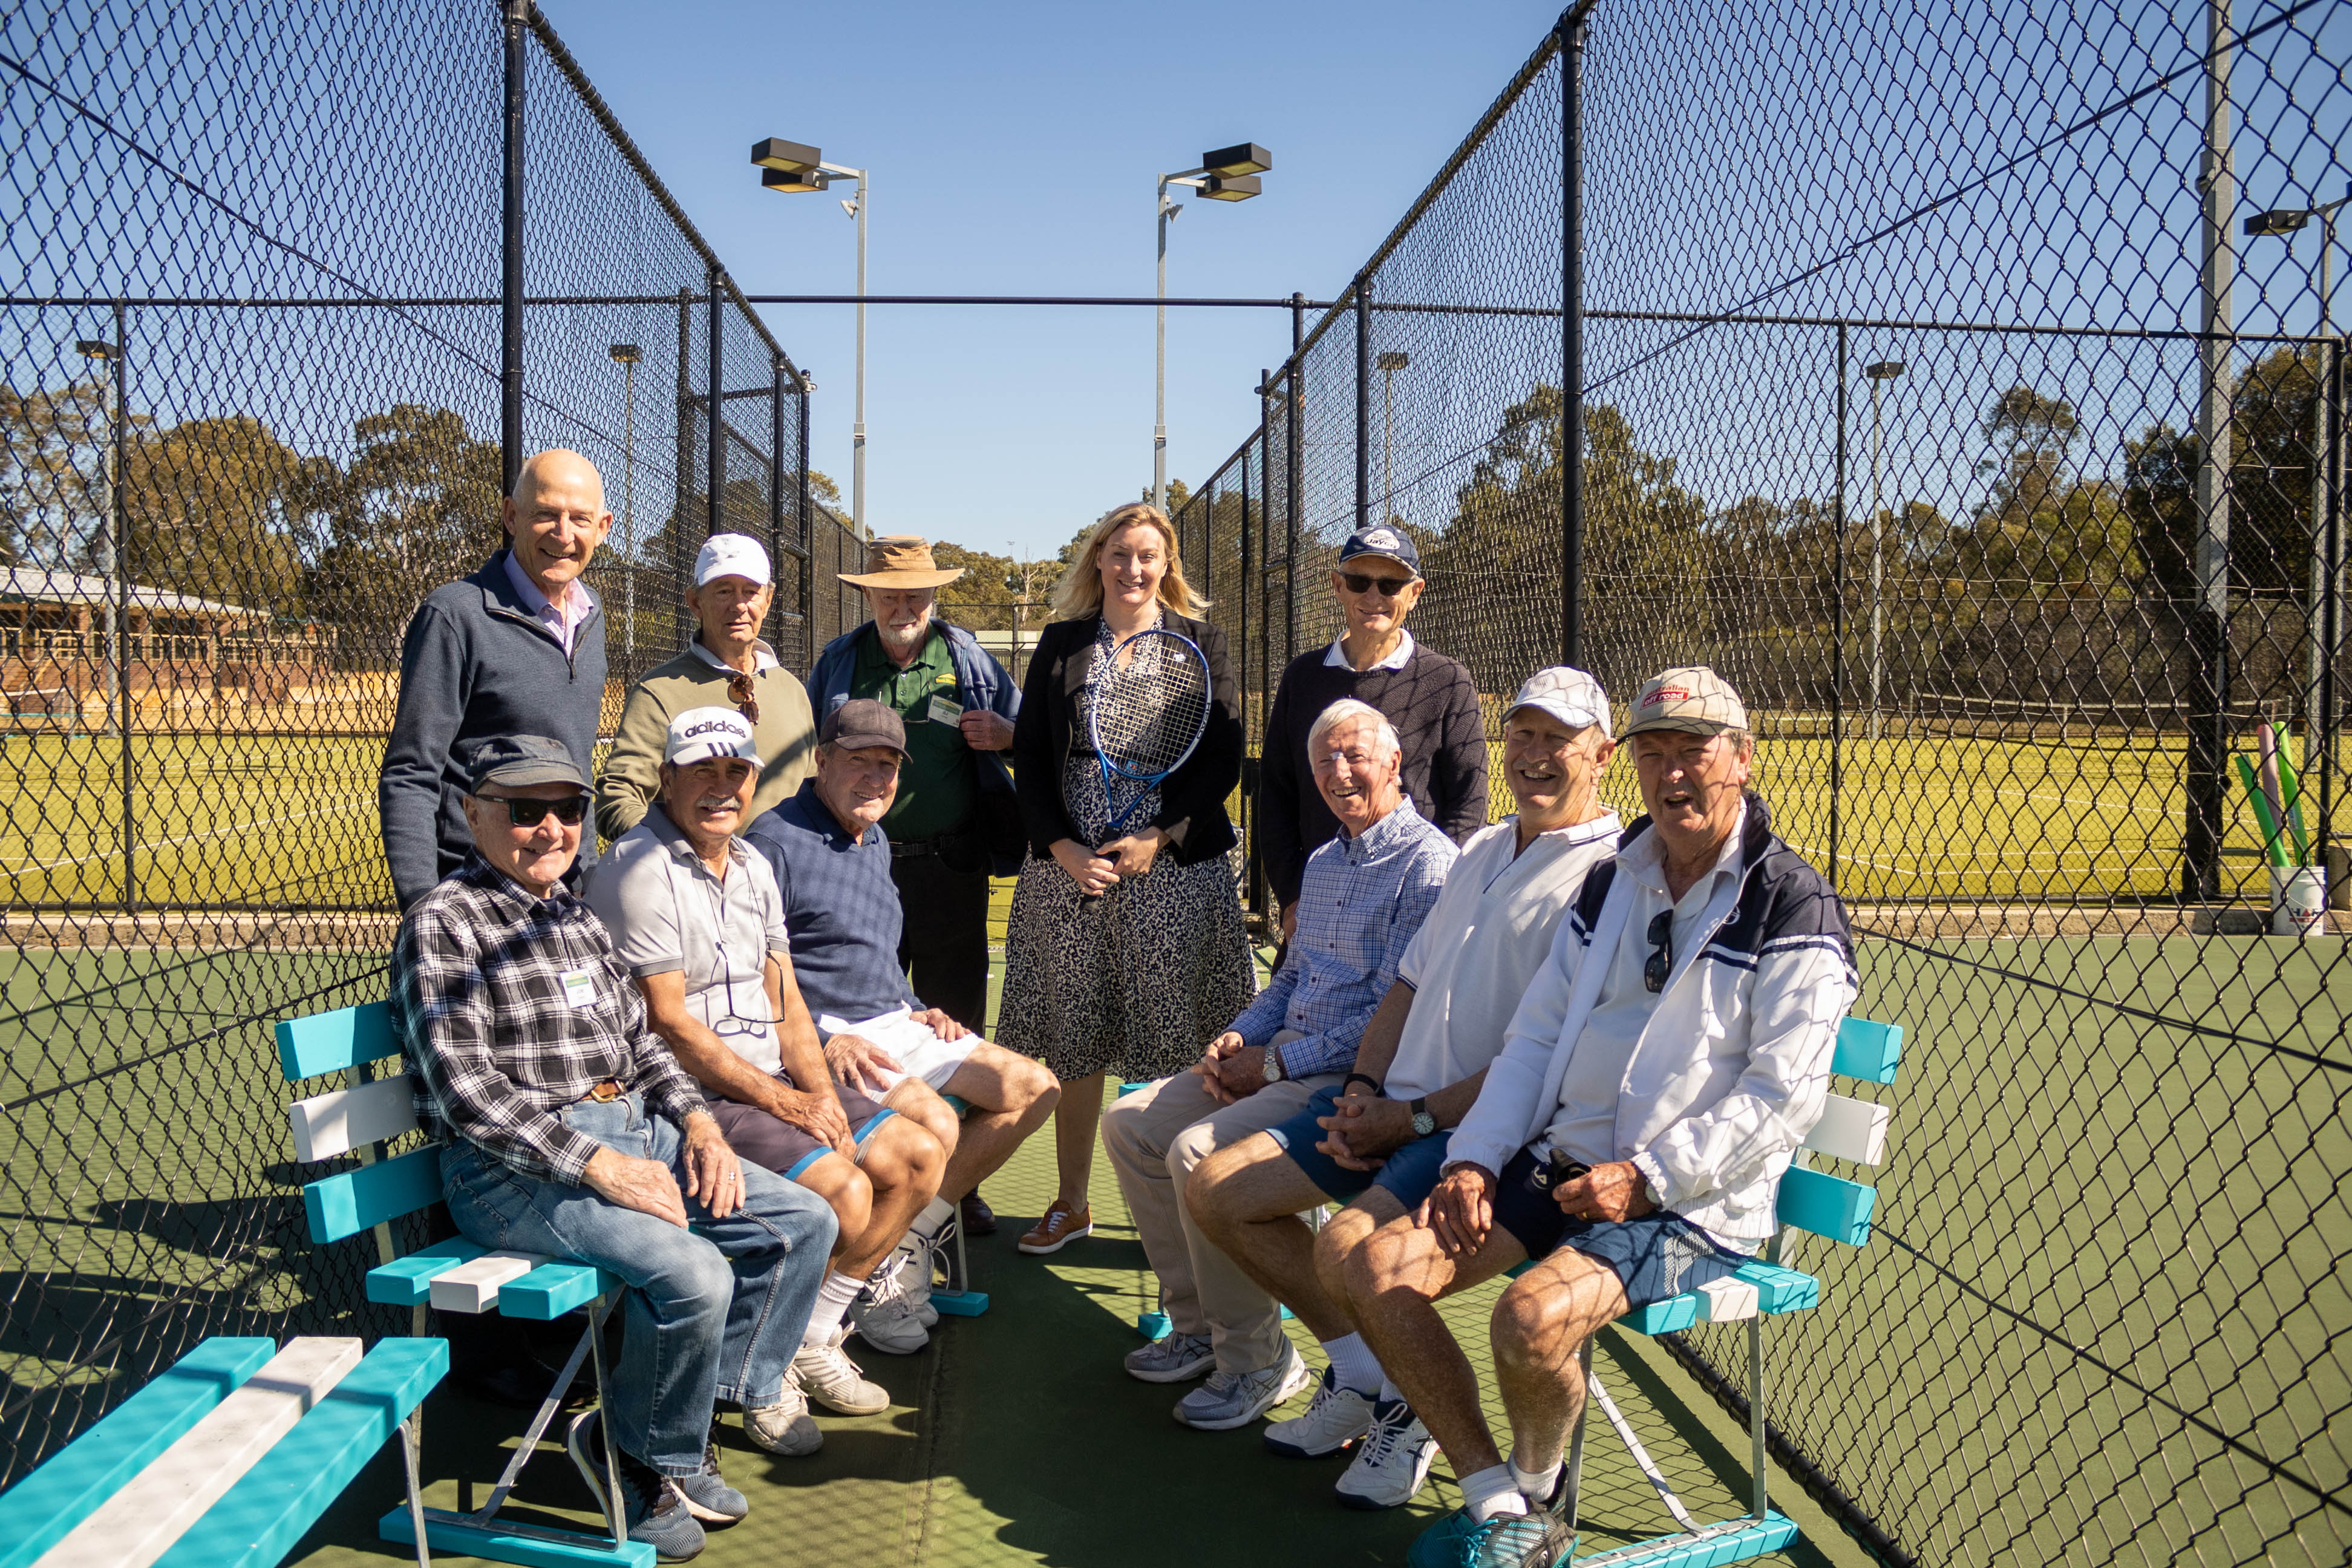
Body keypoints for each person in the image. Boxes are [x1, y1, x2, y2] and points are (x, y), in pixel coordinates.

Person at [1342, 667, 1858, 1568]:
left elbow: (1783, 1097)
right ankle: (1496, 1498)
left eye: (1693, 752)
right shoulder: (1618, 877)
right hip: (1564, 1165)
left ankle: (1539, 1496)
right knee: (1379, 1268)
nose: (1674, 775)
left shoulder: (1791, 901)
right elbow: (1537, 1038)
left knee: (1530, 1321)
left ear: (1741, 759)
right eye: (1655, 753)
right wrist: (1472, 1159)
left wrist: (1651, 1176)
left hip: (1690, 1204)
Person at [391, 733, 837, 1561]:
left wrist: (698, 1124)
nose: (552, 829)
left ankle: (682, 1422)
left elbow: (644, 1045)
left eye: (568, 810)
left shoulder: (572, 911)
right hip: (511, 1170)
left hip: (636, 1126)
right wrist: (600, 1164)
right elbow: (466, 1091)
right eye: (527, 812)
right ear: (473, 814)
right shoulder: (445, 921)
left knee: (802, 1224)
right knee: (695, 1270)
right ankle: (635, 1454)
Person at [1185, 668, 1621, 1508]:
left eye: (1557, 741)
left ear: (1601, 755)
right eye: (1523, 735)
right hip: (1392, 1109)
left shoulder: (1605, 879)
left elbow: (1540, 1059)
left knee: (1349, 1251)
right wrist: (1360, 1091)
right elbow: (1408, 987)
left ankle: (1422, 1426)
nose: (1534, 757)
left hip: (1471, 1132)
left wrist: (1407, 1117)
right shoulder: (1487, 847)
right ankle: (1365, 1383)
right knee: (1216, 1191)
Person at [1102, 698, 1456, 1431]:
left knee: (1198, 1152)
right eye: (1324, 759)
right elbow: (1293, 981)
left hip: (1354, 1078)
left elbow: (1394, 1011)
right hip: (1282, 1060)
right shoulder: (1326, 861)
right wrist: (1236, 1038)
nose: (1338, 771)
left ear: (1395, 763)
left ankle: (1256, 1361)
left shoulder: (1430, 866)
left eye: (1356, 754)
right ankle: (1198, 1327)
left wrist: (1274, 1065)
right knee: (1130, 1123)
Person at [587, 705, 949, 1405]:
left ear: (754, 780)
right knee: (843, 1190)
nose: (721, 788)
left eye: (736, 772)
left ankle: (810, 1337)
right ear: (666, 780)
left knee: (915, 1156)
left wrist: (817, 1097)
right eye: (702, 773)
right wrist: (789, 1103)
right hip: (692, 1096)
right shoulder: (639, 867)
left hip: (769, 1078)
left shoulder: (751, 863)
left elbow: (783, 997)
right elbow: (668, 1024)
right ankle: (765, 1365)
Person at [994, 502, 1256, 1258]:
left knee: (1180, 1046)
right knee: (1075, 1043)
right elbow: (1034, 758)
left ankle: (1177, 1215)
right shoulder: (1063, 643)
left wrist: (1159, 835)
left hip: (1172, 871)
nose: (1133, 569)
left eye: (1148, 556)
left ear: (1166, 563)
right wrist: (1062, 847)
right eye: (1119, 554)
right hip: (1070, 874)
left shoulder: (1204, 643)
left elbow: (1220, 762)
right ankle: (1071, 1204)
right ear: (1097, 562)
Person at [741, 699, 1062, 1301]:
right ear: (821, 761)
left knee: (1036, 1086)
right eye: (858, 761)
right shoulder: (772, 842)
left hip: (896, 1020)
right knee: (938, 1121)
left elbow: (871, 948)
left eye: (887, 765)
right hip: (830, 1041)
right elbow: (751, 972)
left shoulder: (875, 836)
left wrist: (912, 1002)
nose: (875, 778)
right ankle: (871, 1273)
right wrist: (825, 1040)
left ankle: (901, 1242)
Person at [806, 537, 1021, 1054]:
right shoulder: (839, 662)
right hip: (858, 865)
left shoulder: (969, 659)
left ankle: (964, 1129)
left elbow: (1033, 736)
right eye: (888, 597)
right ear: (869, 598)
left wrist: (1006, 734)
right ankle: (882, 1126)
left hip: (952, 866)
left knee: (955, 1023)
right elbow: (808, 751)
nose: (902, 609)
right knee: (864, 1011)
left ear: (933, 596)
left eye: (914, 597)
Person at [380, 449, 612, 910]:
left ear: (602, 528)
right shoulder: (454, 615)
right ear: (511, 515)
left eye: (580, 520)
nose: (564, 535)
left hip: (561, 894)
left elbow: (577, 767)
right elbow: (411, 772)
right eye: (546, 514)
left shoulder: (593, 615)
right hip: (472, 897)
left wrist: (584, 872)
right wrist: (425, 912)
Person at [1256, 524, 1487, 945]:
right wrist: (1293, 899)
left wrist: (1436, 899)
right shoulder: (1301, 678)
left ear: (1414, 593)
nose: (1374, 597)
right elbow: (1276, 798)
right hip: (1320, 910)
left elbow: (1468, 804)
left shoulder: (1447, 680)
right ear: (1337, 586)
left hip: (1410, 914)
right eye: (1360, 581)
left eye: (1391, 584)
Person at [596, 533, 817, 841]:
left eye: (751, 592)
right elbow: (618, 796)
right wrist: (678, 856)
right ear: (695, 602)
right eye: (723, 591)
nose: (739, 606)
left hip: (788, 883)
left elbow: (814, 795)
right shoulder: (659, 691)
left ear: (768, 601)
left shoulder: (793, 691)